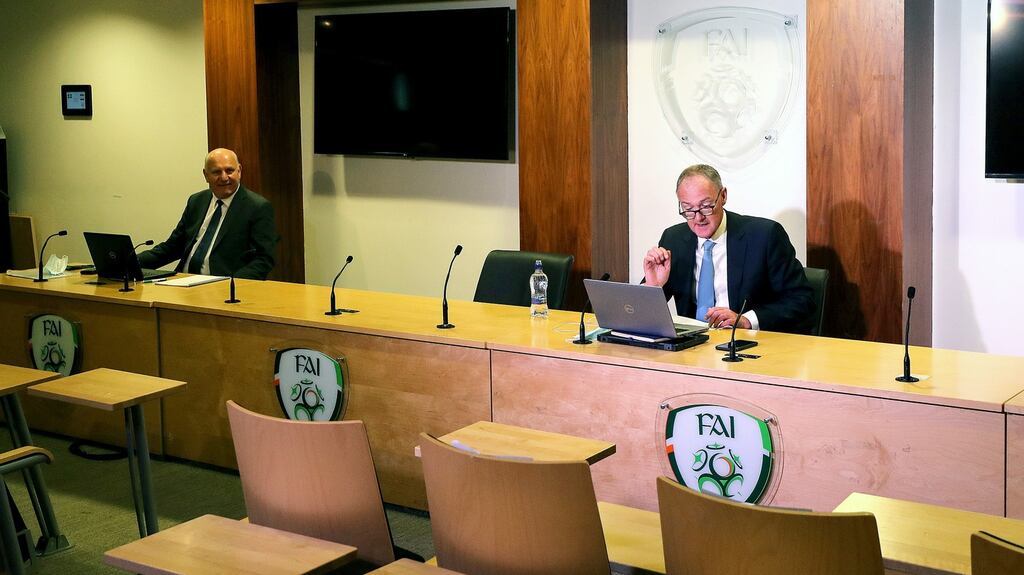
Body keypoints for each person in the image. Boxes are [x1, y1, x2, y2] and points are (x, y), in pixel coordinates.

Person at [643, 164, 814, 333]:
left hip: (747, 345)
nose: (698, 218)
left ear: (723, 196)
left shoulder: (764, 236)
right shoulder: (674, 238)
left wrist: (747, 320)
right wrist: (654, 286)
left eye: (706, 206)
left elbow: (802, 300)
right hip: (690, 348)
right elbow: (642, 315)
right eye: (688, 209)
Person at [138, 148, 277, 280]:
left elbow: (263, 259)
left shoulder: (257, 207)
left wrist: (232, 285)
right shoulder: (196, 201)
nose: (224, 177)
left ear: (239, 171)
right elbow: (171, 248)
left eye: (229, 170)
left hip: (223, 286)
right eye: (216, 172)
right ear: (205, 175)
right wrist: (130, 262)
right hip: (184, 282)